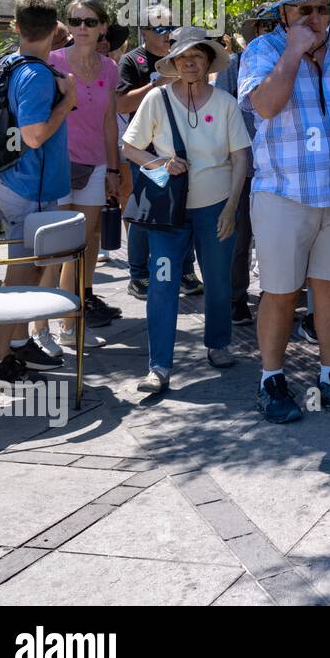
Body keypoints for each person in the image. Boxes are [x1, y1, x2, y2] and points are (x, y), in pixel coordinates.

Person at [237, 0, 330, 423]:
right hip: (282, 194)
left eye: (322, 9)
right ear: (285, 14)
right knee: (281, 293)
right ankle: (271, 379)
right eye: (304, 9)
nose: (314, 17)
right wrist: (292, 54)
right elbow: (267, 105)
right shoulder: (261, 50)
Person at [121, 28, 251, 394]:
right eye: (182, 57)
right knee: (163, 284)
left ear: (209, 61)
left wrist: (231, 207)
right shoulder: (156, 100)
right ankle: (159, 366)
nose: (190, 62)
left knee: (219, 279)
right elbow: (130, 147)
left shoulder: (225, 102)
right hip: (169, 213)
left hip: (215, 207)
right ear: (174, 63)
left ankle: (218, 343)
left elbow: (240, 156)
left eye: (197, 55)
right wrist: (159, 161)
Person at [0, 0, 76, 385]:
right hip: (27, 188)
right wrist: (67, 103)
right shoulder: (35, 75)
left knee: (27, 273)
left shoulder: (11, 62)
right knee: (21, 280)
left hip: (11, 181)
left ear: (16, 27)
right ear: (54, 28)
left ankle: (16, 348)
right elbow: (34, 137)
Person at [45, 0, 123, 351]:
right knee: (57, 249)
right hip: (58, 165)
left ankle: (70, 325)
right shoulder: (53, 62)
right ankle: (39, 329)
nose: (81, 28)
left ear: (103, 27)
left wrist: (113, 168)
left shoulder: (109, 68)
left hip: (95, 166)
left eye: (90, 22)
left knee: (84, 246)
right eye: (75, 21)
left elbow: (110, 121)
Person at [117, 5, 200, 299]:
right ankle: (138, 274)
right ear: (143, 31)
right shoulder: (132, 61)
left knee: (184, 211)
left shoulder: (182, 55)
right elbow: (121, 104)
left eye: (171, 27)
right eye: (159, 29)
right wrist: (157, 83)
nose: (167, 34)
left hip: (181, 151)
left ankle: (185, 270)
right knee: (145, 216)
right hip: (147, 155)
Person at [216, 7, 277, 325]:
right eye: (263, 25)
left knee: (273, 240)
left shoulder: (289, 64)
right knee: (238, 239)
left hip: (278, 168)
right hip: (243, 165)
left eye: (274, 24)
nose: (268, 30)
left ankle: (275, 297)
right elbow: (224, 110)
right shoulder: (234, 64)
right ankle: (234, 298)